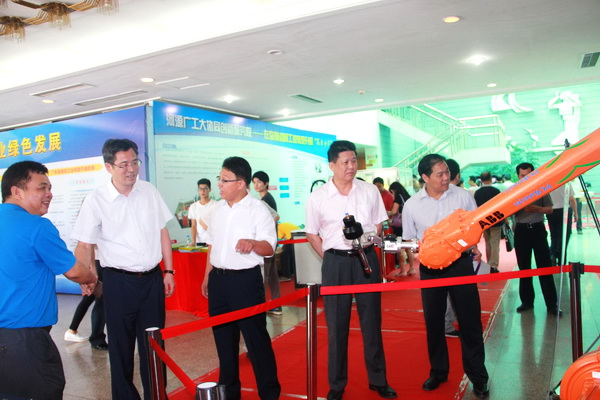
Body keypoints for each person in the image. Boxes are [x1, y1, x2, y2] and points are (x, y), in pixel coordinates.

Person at [71, 138, 175, 400]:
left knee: (154, 345)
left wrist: (169, 271)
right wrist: (86, 275)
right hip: (118, 283)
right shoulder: (96, 200)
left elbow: (162, 231)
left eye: (135, 162)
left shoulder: (149, 191)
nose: (131, 169)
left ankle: (156, 395)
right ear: (108, 167)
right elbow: (84, 244)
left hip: (152, 280)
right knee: (121, 348)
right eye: (124, 164)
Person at [305, 140, 396, 400]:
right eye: (345, 162)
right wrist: (331, 258)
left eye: (354, 160)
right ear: (331, 165)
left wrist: (364, 243)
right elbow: (311, 234)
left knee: (372, 322)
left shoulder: (369, 190)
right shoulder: (318, 197)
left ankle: (378, 380)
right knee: (336, 325)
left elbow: (378, 225)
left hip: (366, 259)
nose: (351, 166)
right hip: (335, 263)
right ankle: (336, 385)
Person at [0, 161, 98, 399]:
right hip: (24, 340)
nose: (49, 194)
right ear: (17, 191)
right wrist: (91, 278)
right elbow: (74, 271)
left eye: (50, 188)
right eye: (41, 188)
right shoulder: (37, 226)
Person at [402, 153, 489, 399]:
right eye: (439, 174)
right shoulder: (412, 204)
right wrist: (422, 248)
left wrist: (471, 246)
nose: (445, 178)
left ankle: (479, 377)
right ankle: (438, 372)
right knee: (434, 322)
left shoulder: (463, 196)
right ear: (425, 177)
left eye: (447, 173)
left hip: (460, 264)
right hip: (430, 268)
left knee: (470, 321)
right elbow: (409, 239)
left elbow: (477, 227)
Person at [201, 157, 281, 400]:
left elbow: (269, 247)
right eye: (219, 179)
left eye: (224, 180)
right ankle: (229, 392)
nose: (219, 184)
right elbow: (212, 245)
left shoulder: (258, 209)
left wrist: (253, 243)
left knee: (256, 341)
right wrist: (207, 277)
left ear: (241, 183)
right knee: (224, 342)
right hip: (218, 281)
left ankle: (269, 393)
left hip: (245, 282)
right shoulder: (217, 210)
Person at [513, 162, 560, 316]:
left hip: (538, 230)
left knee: (544, 267)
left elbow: (550, 209)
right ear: (518, 176)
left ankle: (552, 304)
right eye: (522, 176)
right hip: (521, 231)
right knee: (524, 267)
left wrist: (536, 209)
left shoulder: (540, 188)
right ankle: (527, 301)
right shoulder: (513, 191)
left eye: (529, 175)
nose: (525, 178)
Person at [252, 170, 283, 315]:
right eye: (254, 182)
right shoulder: (265, 198)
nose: (256, 185)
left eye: (259, 182)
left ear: (266, 184)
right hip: (271, 242)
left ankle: (262, 306)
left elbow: (275, 217)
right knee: (272, 275)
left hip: (267, 243)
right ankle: (276, 304)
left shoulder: (266, 200)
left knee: (264, 275)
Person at [64, 256, 109, 350]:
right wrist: (92, 269)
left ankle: (72, 329)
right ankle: (97, 339)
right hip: (100, 262)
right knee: (100, 300)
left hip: (98, 263)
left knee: (90, 297)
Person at [474, 172, 503, 274]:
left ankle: (489, 263)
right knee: (495, 243)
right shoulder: (496, 191)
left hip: (483, 221)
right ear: (491, 179)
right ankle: (493, 265)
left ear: (481, 180)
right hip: (496, 220)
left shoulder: (478, 192)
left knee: (487, 243)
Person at [386, 181, 415, 278]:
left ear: (393, 190)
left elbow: (394, 211)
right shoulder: (407, 197)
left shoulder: (398, 197)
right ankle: (412, 268)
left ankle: (402, 270)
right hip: (408, 224)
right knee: (408, 247)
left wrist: (387, 212)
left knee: (400, 248)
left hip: (399, 226)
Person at [548, 183, 577, 266]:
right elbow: (571, 199)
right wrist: (576, 213)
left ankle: (553, 254)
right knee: (565, 236)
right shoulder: (566, 182)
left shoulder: (548, 183)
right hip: (565, 211)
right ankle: (561, 260)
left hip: (551, 211)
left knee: (554, 235)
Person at [189, 178, 217, 246]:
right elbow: (193, 225)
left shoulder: (215, 205)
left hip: (213, 240)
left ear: (210, 189)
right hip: (200, 241)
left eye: (205, 188)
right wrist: (193, 241)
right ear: (198, 190)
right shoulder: (193, 206)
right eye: (200, 189)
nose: (203, 191)